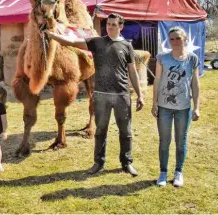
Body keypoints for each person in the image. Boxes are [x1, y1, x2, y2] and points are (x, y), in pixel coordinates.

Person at [44, 13, 144, 176]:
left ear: (121, 27)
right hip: (101, 95)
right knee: (100, 131)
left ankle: (127, 162)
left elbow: (132, 71)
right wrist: (52, 35)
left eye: (114, 24)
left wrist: (140, 95)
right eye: (108, 24)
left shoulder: (127, 45)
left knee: (126, 131)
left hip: (121, 95)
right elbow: (72, 42)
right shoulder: (97, 42)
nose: (110, 27)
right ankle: (99, 163)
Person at [152, 26, 200, 187]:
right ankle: (163, 172)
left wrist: (196, 106)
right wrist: (155, 103)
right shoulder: (162, 58)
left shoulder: (192, 59)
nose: (174, 42)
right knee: (164, 141)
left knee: (181, 141)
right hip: (164, 107)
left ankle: (178, 172)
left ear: (185, 38)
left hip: (184, 108)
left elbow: (195, 83)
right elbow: (157, 81)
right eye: (171, 39)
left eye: (178, 38)